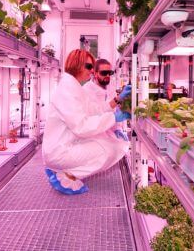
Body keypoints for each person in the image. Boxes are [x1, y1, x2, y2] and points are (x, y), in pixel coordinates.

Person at [42, 49, 132, 195]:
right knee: (107, 151)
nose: (92, 71)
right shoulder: (68, 90)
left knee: (111, 144)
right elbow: (82, 127)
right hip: (59, 151)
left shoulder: (74, 86)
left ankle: (64, 170)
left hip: (67, 144)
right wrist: (114, 118)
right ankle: (63, 174)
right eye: (89, 67)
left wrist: (117, 100)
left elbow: (94, 109)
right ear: (77, 65)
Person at [84, 58, 129, 141]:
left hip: (110, 132)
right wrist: (117, 99)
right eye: (104, 73)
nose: (107, 76)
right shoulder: (86, 91)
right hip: (93, 136)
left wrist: (117, 128)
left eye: (110, 73)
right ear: (95, 73)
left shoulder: (111, 88)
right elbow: (96, 113)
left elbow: (115, 111)